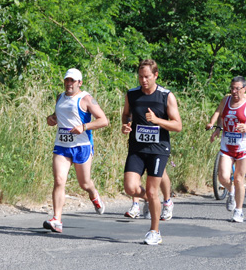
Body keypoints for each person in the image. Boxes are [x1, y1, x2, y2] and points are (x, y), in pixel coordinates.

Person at [122, 59, 182, 245]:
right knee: (130, 188)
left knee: (152, 189)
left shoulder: (166, 96)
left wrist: (157, 120)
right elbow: (126, 114)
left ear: (155, 75)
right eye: (140, 77)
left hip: (158, 149)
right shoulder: (132, 94)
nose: (143, 80)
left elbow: (177, 125)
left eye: (147, 76)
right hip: (137, 148)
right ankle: (155, 200)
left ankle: (154, 231)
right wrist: (125, 125)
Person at [43, 68, 109, 234]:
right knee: (59, 180)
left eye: (72, 81)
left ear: (79, 83)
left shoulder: (86, 99)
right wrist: (51, 119)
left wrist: (84, 126)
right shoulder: (60, 97)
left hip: (82, 146)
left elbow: (103, 120)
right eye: (67, 80)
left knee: (84, 183)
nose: (69, 84)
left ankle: (94, 193)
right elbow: (57, 116)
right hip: (62, 146)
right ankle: (57, 219)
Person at [206, 76, 246, 223]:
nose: (234, 91)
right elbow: (219, 112)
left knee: (239, 179)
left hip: (243, 147)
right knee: (223, 177)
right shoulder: (226, 100)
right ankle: (231, 190)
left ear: (244, 89)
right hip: (227, 146)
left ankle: (238, 211)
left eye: (237, 88)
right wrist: (215, 126)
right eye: (232, 88)